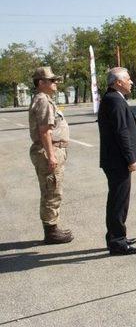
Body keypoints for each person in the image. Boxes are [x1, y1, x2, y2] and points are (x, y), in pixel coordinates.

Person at [97, 67, 136, 255]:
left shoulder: (113, 98)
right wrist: (131, 158)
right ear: (118, 82)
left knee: (118, 201)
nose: (131, 82)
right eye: (128, 79)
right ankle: (117, 242)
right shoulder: (114, 100)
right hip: (118, 161)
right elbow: (121, 132)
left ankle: (116, 236)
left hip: (115, 160)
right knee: (118, 201)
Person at [28, 66, 74, 244]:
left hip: (51, 149)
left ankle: (52, 228)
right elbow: (45, 131)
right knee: (51, 191)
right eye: (52, 80)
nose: (56, 83)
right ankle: (51, 232)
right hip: (49, 150)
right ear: (41, 83)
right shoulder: (43, 101)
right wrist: (51, 155)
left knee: (52, 189)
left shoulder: (44, 99)